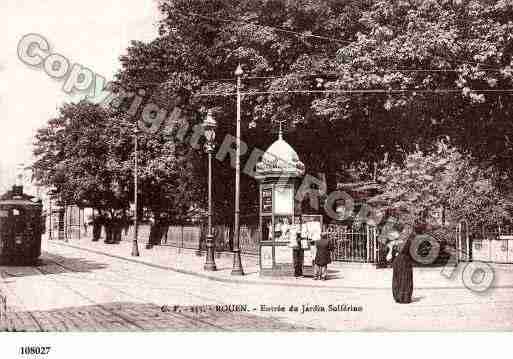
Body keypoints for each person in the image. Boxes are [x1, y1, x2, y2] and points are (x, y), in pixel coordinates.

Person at [392, 224, 420, 304]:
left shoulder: (398, 241)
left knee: (400, 279)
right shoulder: (409, 241)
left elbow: (395, 251)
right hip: (404, 261)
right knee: (404, 279)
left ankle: (399, 297)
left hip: (400, 261)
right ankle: (403, 297)